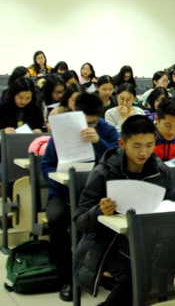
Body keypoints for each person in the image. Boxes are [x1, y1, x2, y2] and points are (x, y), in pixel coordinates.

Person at [74, 115, 174, 306]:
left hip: (150, 240)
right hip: (107, 243)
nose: (144, 152)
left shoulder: (160, 171)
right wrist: (99, 211)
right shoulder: (104, 172)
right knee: (136, 276)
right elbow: (80, 221)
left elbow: (171, 205)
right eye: (136, 146)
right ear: (122, 143)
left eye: (149, 145)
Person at [42, 93, 119, 301]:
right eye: (84, 122)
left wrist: (99, 142)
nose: (87, 126)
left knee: (96, 221)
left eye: (92, 123)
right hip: (62, 192)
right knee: (57, 219)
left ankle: (98, 272)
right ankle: (67, 278)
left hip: (97, 194)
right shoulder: (63, 129)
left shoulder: (107, 131)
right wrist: (60, 179)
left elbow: (117, 160)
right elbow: (45, 165)